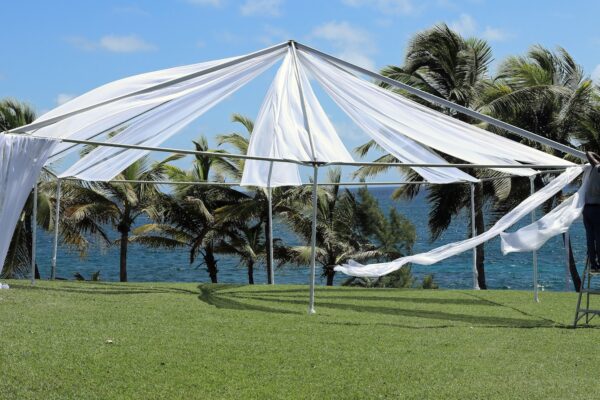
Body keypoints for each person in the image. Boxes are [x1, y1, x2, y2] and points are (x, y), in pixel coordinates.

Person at [583, 151, 600, 272]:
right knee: (599, 238)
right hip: (597, 209)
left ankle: (593, 264)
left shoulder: (596, 166)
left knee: (590, 238)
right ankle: (598, 263)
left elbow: (588, 153)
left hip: (587, 209)